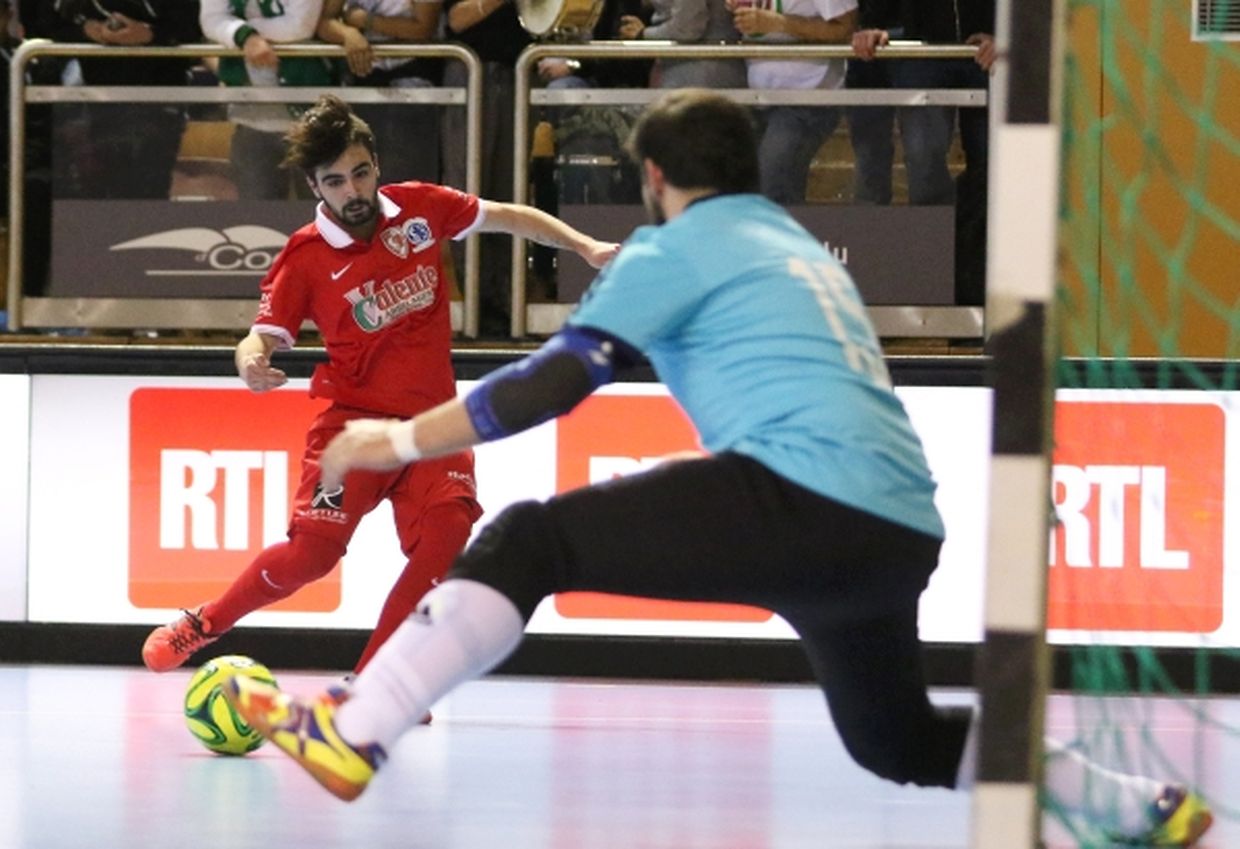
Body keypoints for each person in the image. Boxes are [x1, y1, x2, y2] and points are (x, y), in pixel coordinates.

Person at [221, 89, 1213, 849]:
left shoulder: (679, 244)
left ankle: (360, 725)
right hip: (899, 526)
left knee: (528, 537)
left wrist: (389, 442)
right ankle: (1140, 807)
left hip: (799, 492)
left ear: (654, 177)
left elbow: (551, 386)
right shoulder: (794, 246)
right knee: (896, 742)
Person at [141, 93, 619, 679]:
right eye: (336, 181)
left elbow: (508, 215)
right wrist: (250, 363)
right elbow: (259, 337)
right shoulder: (305, 258)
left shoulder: (419, 209)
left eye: (361, 173)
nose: (353, 191)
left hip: (432, 430)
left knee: (447, 539)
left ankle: (374, 683)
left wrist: (583, 245)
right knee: (310, 558)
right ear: (317, 188)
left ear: (377, 166)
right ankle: (207, 622)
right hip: (355, 428)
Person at [851, 0, 995, 305]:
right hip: (920, 50)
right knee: (923, 161)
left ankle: (979, 294)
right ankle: (936, 283)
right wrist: (873, 25)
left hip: (990, 55)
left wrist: (1008, 35)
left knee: (991, 174)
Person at [46, 0, 202, 199]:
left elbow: (193, 27)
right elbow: (47, 22)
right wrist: (87, 30)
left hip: (160, 96)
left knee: (151, 186)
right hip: (97, 96)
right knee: (101, 185)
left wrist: (149, 33)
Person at [199, 0, 338, 200]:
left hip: (311, 120)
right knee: (256, 218)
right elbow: (211, 20)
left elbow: (301, 25)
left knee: (322, 213)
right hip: (250, 118)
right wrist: (246, 37)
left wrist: (240, 30)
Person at [726, 0, 857, 204]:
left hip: (807, 96)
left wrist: (781, 23)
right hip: (759, 97)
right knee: (751, 191)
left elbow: (846, 27)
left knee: (773, 188)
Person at [316, 0, 445, 184]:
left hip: (415, 83)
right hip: (363, 82)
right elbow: (323, 22)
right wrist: (348, 34)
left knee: (411, 174)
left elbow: (424, 28)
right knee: (362, 167)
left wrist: (366, 21)